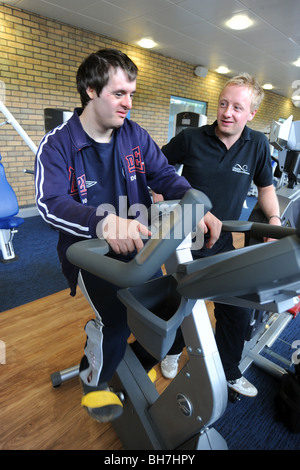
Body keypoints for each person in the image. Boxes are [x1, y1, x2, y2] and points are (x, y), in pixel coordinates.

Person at [35, 48, 221, 423]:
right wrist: (103, 223)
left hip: (140, 248)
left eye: (131, 94)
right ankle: (95, 379)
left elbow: (165, 176)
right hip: (90, 254)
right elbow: (49, 203)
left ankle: (122, 355)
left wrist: (199, 205)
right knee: (117, 322)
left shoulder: (133, 134)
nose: (128, 104)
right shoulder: (58, 144)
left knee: (169, 311)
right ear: (90, 89)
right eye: (119, 94)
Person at [156, 73, 281, 397]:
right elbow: (154, 168)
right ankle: (172, 351)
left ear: (251, 113)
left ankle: (229, 370)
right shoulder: (192, 139)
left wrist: (275, 218)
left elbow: (266, 188)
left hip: (222, 239)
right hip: (185, 239)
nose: (227, 112)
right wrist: (156, 195)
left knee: (236, 307)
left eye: (237, 107)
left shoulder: (257, 144)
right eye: (223, 104)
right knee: (186, 301)